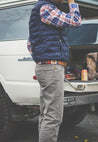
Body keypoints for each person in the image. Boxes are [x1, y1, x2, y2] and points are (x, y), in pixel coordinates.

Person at [29, 0, 81, 141]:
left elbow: (30, 43)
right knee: (53, 116)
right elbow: (76, 21)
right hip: (51, 67)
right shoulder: (46, 8)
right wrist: (72, 2)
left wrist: (41, 57)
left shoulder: (40, 10)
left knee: (46, 114)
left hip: (46, 67)